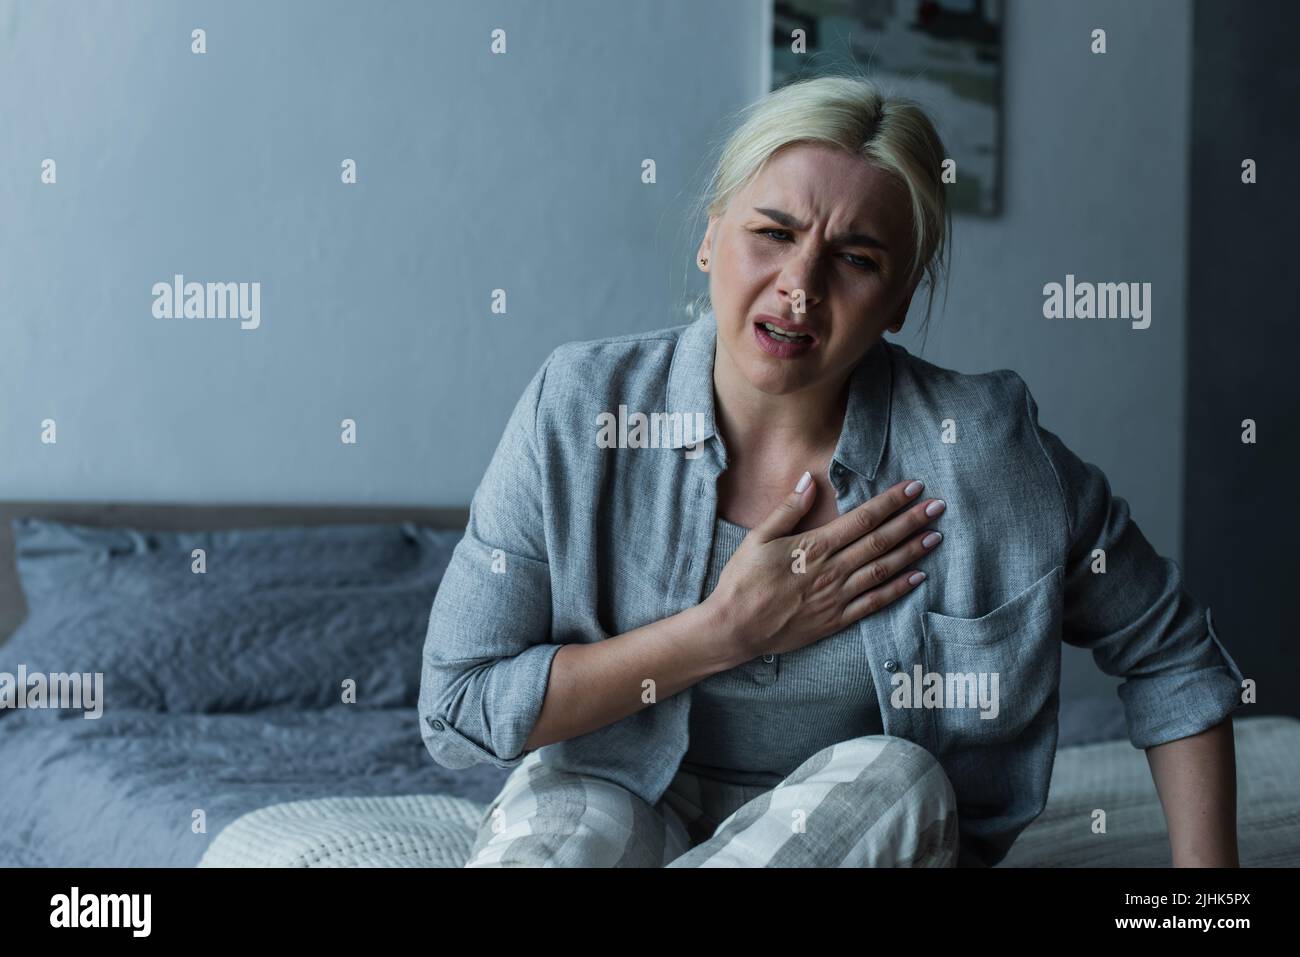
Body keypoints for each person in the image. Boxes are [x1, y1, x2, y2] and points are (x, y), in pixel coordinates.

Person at [418, 74, 1245, 868]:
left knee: (897, 776)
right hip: (620, 789)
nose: (800, 287)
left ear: (901, 298)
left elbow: (1171, 654)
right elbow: (456, 709)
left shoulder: (988, 454)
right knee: (561, 809)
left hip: (859, 824)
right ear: (711, 237)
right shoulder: (578, 410)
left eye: (855, 258)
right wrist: (723, 631)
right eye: (772, 234)